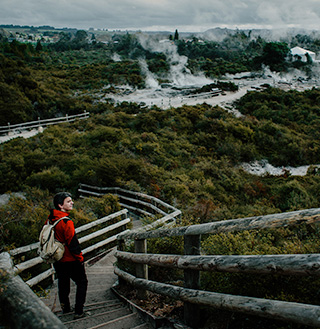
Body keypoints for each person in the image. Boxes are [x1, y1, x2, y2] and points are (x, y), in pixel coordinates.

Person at [47, 192, 88, 319]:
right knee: (82, 282)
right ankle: (79, 311)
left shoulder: (51, 219)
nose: (72, 203)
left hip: (58, 259)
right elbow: (72, 243)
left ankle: (65, 309)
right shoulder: (66, 222)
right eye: (68, 201)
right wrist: (80, 258)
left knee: (63, 284)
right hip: (70, 259)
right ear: (60, 205)